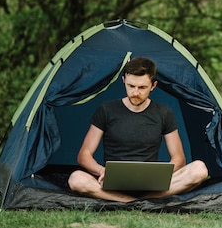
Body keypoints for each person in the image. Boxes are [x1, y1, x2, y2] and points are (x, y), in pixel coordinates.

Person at [68, 56, 209, 202]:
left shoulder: (164, 113)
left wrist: (159, 175)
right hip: (113, 183)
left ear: (153, 85)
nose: (135, 92)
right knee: (76, 179)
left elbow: (179, 158)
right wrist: (102, 171)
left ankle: (139, 199)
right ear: (123, 81)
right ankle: (132, 201)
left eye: (142, 87)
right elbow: (84, 155)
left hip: (151, 184)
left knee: (199, 169)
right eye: (131, 86)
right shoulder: (106, 110)